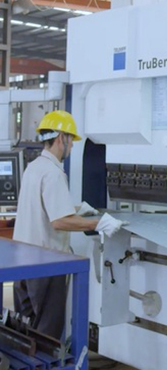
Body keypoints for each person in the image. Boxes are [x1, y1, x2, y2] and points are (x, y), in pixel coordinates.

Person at [12, 110, 125, 340]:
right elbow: (59, 221)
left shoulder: (33, 167)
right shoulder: (53, 173)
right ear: (61, 138)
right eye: (71, 140)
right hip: (46, 265)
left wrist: (77, 209)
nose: (72, 146)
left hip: (22, 262)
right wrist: (99, 223)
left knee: (24, 329)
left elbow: (43, 208)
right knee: (47, 332)